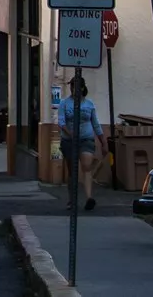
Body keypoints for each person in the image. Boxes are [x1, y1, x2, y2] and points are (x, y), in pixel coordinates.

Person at [58, 74, 102, 210]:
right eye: (72, 87)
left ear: (82, 88)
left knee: (86, 166)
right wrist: (71, 134)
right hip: (69, 141)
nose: (74, 90)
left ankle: (89, 198)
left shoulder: (89, 104)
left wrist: (103, 140)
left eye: (77, 87)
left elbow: (95, 123)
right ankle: (72, 200)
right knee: (72, 171)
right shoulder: (64, 103)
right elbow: (61, 122)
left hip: (86, 139)